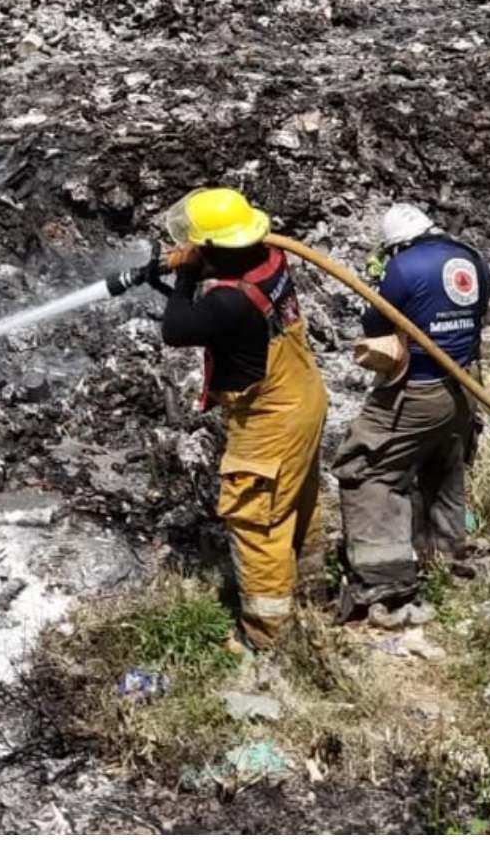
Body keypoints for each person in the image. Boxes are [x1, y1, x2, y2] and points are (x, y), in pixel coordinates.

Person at [148, 187, 329, 649]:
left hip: (269, 417)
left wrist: (187, 274)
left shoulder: (229, 302)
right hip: (303, 395)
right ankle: (313, 595)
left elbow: (176, 329)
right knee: (295, 499)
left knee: (257, 518)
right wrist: (197, 260)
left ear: (212, 248)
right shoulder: (271, 258)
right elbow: (229, 263)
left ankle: (268, 638)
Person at [331, 204, 490, 627]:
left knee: (367, 469)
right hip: (465, 386)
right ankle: (446, 556)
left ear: (397, 244)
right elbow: (479, 312)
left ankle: (387, 583)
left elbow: (375, 324)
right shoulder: (471, 257)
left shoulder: (402, 267)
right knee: (443, 464)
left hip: (418, 390)